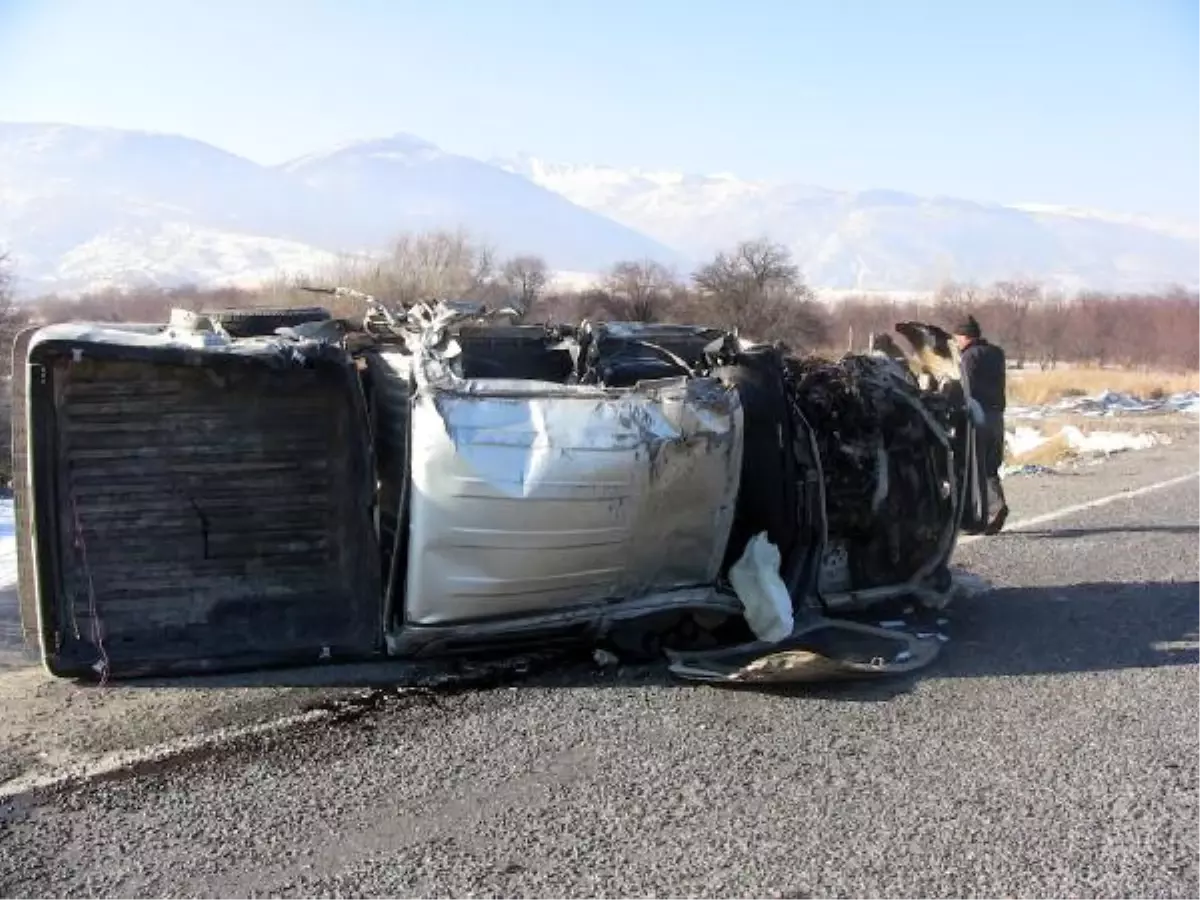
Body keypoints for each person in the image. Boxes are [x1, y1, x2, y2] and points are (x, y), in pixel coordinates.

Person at [954, 315, 1009, 535]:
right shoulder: (997, 353)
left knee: (973, 465)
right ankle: (991, 511)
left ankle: (987, 512)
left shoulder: (968, 357)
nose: (956, 342)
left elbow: (966, 388)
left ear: (964, 336)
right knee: (989, 465)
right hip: (997, 415)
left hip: (979, 416)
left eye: (957, 337)